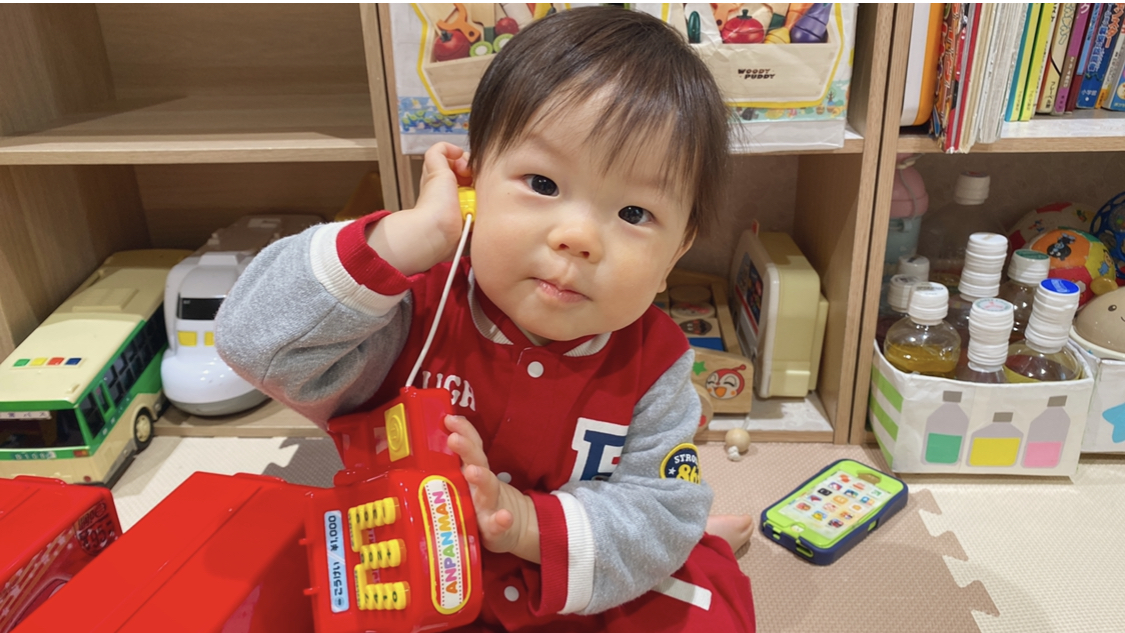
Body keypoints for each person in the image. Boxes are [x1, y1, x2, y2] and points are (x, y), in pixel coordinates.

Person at [216, 6, 755, 632]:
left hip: (561, 576)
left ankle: (704, 544)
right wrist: (406, 238)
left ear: (675, 254)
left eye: (634, 214)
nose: (578, 237)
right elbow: (253, 341)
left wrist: (523, 522)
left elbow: (659, 511)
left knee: (701, 594)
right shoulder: (413, 310)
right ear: (472, 183)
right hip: (410, 569)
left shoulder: (656, 366)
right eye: (543, 184)